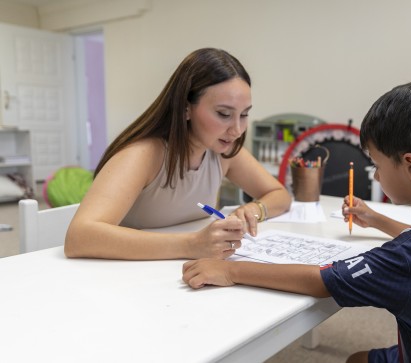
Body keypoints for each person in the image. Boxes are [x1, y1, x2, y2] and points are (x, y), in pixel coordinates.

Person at [181, 79, 411, 362]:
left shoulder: (409, 256)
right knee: (357, 360)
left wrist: (229, 269)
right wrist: (376, 219)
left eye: (377, 165)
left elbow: (321, 282)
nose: (375, 175)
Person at [65, 48, 291, 260]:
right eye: (224, 114)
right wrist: (190, 245)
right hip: (124, 276)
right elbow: (79, 237)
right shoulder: (143, 155)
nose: (237, 130)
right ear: (186, 109)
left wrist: (253, 209)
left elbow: (279, 195)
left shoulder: (224, 150)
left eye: (244, 115)